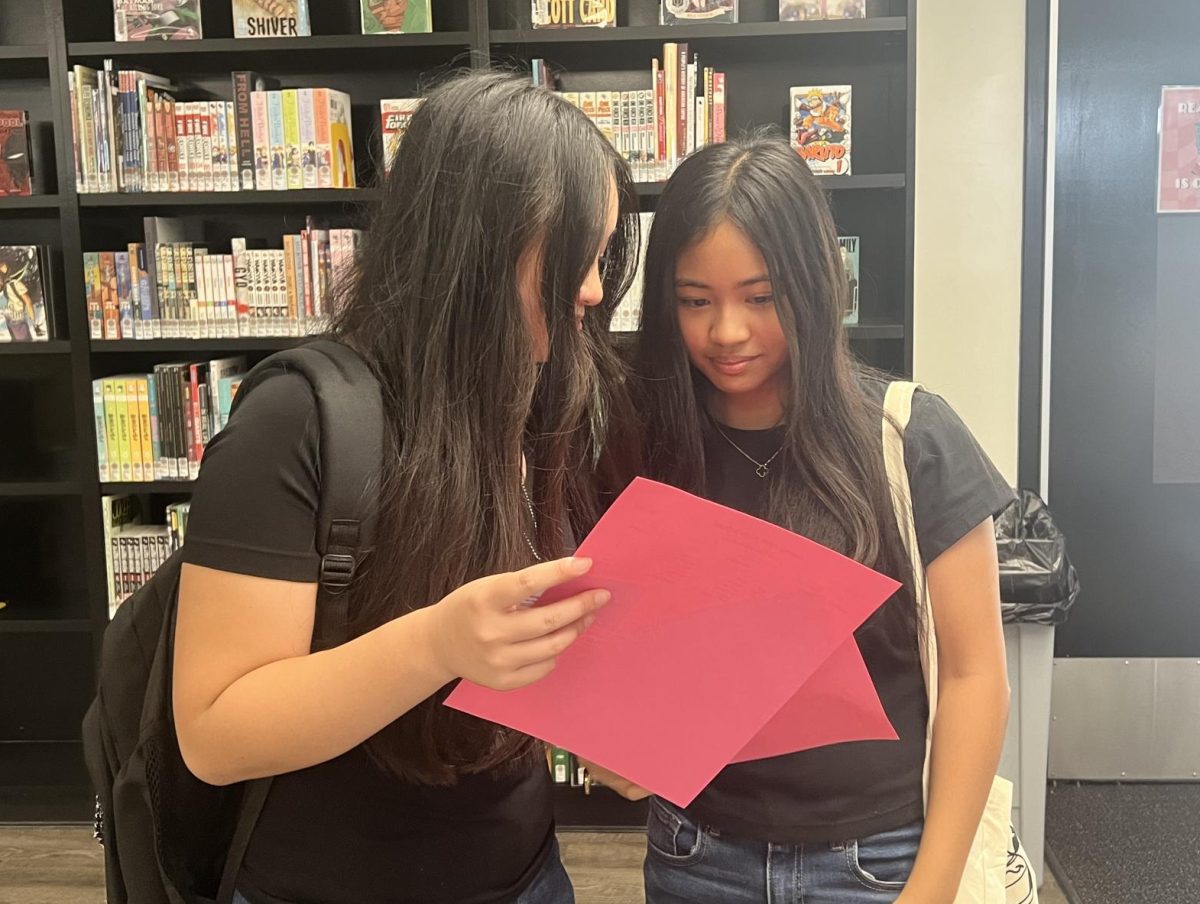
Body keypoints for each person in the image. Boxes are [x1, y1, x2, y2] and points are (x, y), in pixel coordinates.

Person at [171, 70, 639, 904]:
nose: (594, 290)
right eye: (574, 255)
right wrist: (437, 647)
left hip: (528, 874)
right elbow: (215, 729)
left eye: (601, 257)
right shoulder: (298, 418)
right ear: (478, 244)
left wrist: (620, 730)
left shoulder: (537, 401)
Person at [592, 135, 1015, 903]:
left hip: (880, 861)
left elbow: (975, 674)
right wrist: (607, 741)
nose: (726, 332)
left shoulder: (909, 438)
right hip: (697, 855)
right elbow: (610, 644)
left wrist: (934, 885)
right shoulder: (637, 441)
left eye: (761, 297)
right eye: (695, 301)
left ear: (819, 283)